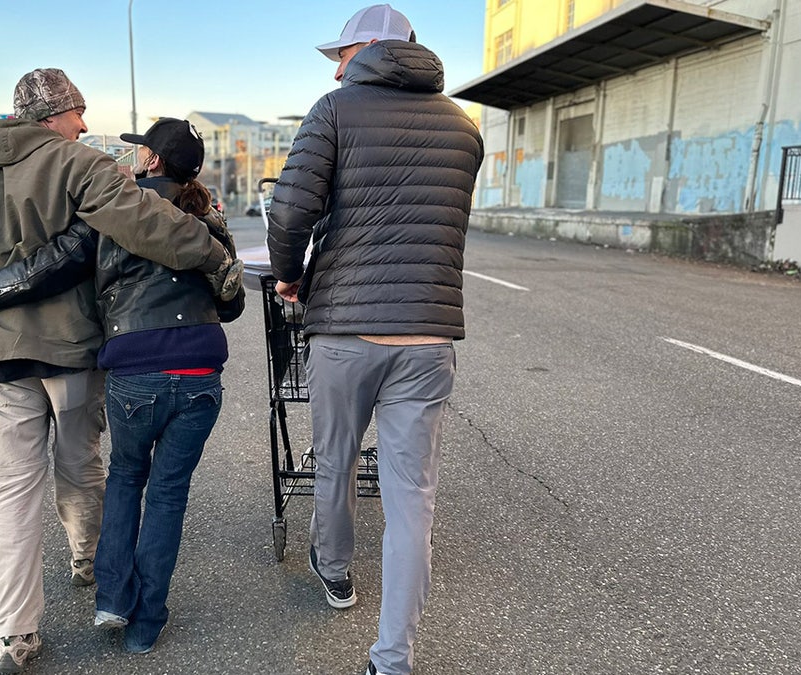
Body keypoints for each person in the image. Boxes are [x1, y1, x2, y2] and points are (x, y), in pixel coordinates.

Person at [0, 68, 233, 675]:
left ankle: (14, 635)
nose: (84, 124)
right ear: (56, 115)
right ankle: (88, 558)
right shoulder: (78, 163)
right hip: (72, 350)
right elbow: (147, 223)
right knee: (81, 465)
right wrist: (212, 253)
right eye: (78, 113)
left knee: (10, 495)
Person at [265, 5, 484, 675]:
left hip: (346, 327)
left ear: (366, 48)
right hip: (428, 333)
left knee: (333, 459)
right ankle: (392, 659)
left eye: (341, 52)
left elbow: (291, 211)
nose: (336, 65)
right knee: (411, 497)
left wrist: (290, 276)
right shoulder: (464, 128)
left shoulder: (334, 109)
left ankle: (334, 571)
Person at [90, 117, 244, 655]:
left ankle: (113, 598)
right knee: (168, 494)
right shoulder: (210, 222)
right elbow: (232, 304)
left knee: (126, 476)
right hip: (201, 371)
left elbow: (80, 283)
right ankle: (147, 622)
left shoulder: (116, 213)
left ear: (152, 161)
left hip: (135, 368)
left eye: (141, 152)